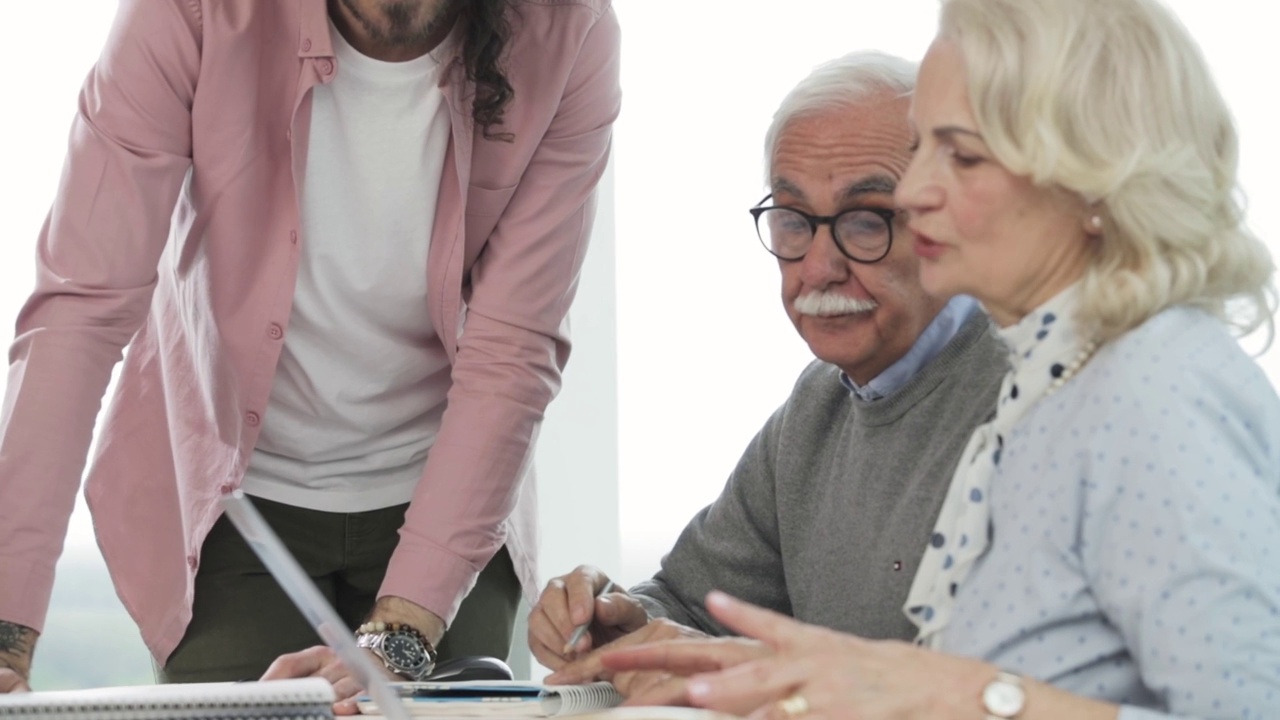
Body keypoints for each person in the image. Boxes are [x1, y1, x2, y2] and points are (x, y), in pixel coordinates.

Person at [597, 0, 1280, 717]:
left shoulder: (1157, 389)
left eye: (962, 153)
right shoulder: (1056, 382)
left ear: (1095, 182)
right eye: (924, 148)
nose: (918, 192)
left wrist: (964, 694)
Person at [0, 0, 620, 698]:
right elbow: (81, 307)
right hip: (234, 508)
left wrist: (400, 636)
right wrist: (5, 635)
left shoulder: (570, 27)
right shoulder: (188, 11)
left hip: (451, 497)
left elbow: (513, 349)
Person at [528, 51, 1009, 699]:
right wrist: (616, 626)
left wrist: (742, 669)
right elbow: (690, 605)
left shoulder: (1035, 398)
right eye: (792, 221)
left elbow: (992, 691)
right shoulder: (819, 403)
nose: (817, 266)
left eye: (866, 219)